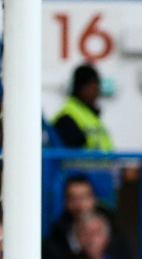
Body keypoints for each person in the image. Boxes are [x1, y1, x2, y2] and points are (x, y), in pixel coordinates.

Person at [48, 65, 116, 204]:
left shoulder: (90, 116)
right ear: (82, 87)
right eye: (93, 85)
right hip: (84, 193)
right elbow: (68, 161)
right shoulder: (68, 117)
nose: (97, 92)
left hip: (101, 189)